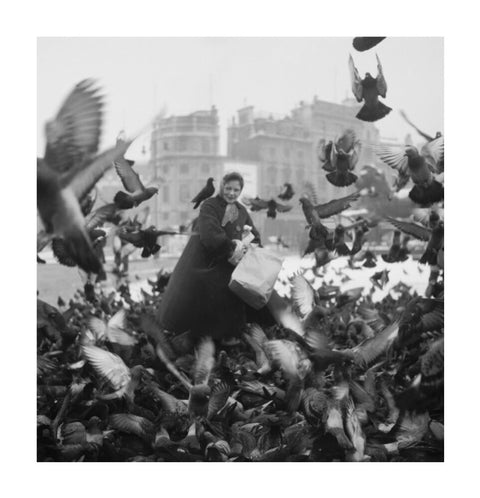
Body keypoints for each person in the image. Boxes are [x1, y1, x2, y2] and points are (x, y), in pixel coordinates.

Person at [157, 172, 275, 343]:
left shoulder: (242, 211)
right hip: (208, 263)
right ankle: (203, 339)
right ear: (221, 187)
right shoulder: (209, 206)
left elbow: (255, 236)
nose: (231, 193)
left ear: (241, 190)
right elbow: (209, 233)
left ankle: (231, 337)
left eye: (236, 190)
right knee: (203, 307)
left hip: (232, 267)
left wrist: (250, 244)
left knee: (236, 301)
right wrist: (231, 248)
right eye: (228, 188)